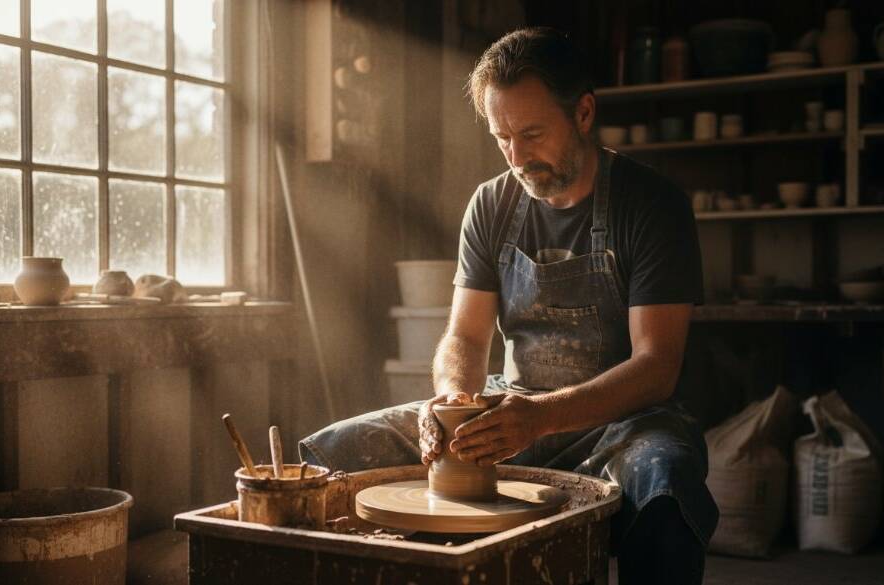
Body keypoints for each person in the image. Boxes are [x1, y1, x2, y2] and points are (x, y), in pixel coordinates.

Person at [300, 27, 717, 585]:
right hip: (511, 407)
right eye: (502, 138)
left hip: (623, 423)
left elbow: (656, 368)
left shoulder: (651, 205)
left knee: (666, 479)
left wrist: (540, 418)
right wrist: (453, 400)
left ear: (584, 113)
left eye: (533, 133)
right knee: (335, 452)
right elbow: (465, 338)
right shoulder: (492, 204)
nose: (518, 157)